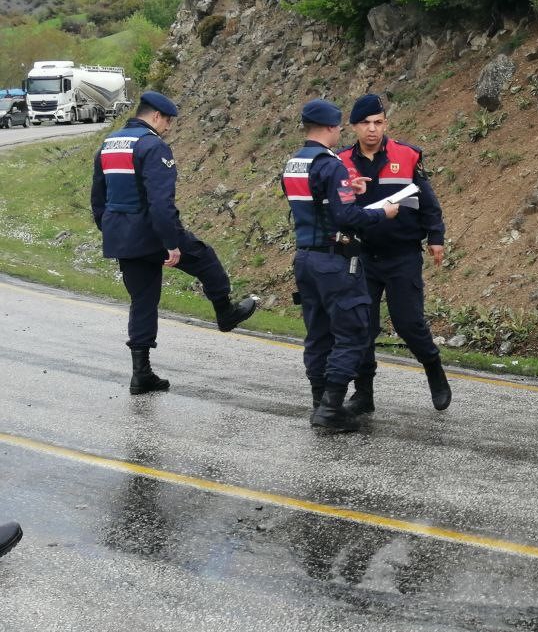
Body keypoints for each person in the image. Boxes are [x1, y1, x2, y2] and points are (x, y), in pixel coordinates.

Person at [91, 90, 258, 395]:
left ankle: (141, 374)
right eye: (167, 121)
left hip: (122, 236)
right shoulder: (153, 146)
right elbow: (160, 204)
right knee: (206, 260)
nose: (168, 127)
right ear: (156, 116)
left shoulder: (109, 143)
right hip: (152, 233)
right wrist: (171, 243)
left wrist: (109, 229)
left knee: (142, 300)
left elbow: (98, 198)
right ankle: (226, 313)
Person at [284, 98, 400, 432]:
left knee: (317, 333)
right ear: (332, 128)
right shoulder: (330, 164)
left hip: (304, 257)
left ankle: (319, 401)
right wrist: (383, 212)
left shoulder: (295, 162)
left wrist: (351, 188)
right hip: (333, 260)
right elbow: (345, 216)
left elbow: (316, 202)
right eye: (338, 128)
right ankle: (332, 407)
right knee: (353, 332)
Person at [338, 93, 451, 414]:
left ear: (385, 123)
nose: (372, 129)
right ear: (354, 127)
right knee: (363, 326)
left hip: (402, 255)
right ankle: (364, 394)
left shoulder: (408, 155)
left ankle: (434, 370)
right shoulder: (341, 162)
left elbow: (428, 202)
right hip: (361, 256)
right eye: (365, 124)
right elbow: (335, 206)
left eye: (378, 123)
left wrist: (436, 237)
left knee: (408, 322)